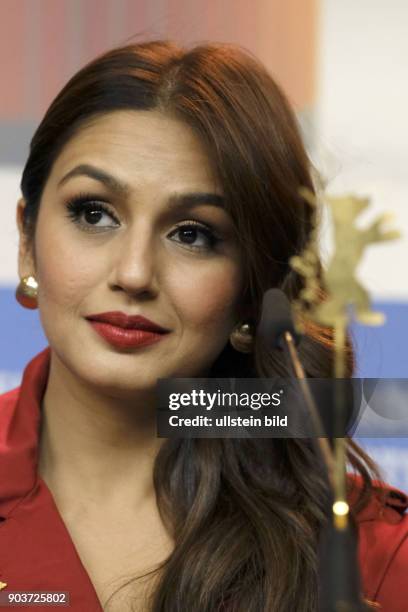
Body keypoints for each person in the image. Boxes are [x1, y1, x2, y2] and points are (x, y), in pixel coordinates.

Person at [0, 40, 407, 612]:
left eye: (193, 233)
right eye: (94, 213)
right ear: (27, 241)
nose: (134, 273)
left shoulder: (373, 556)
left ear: (253, 284)